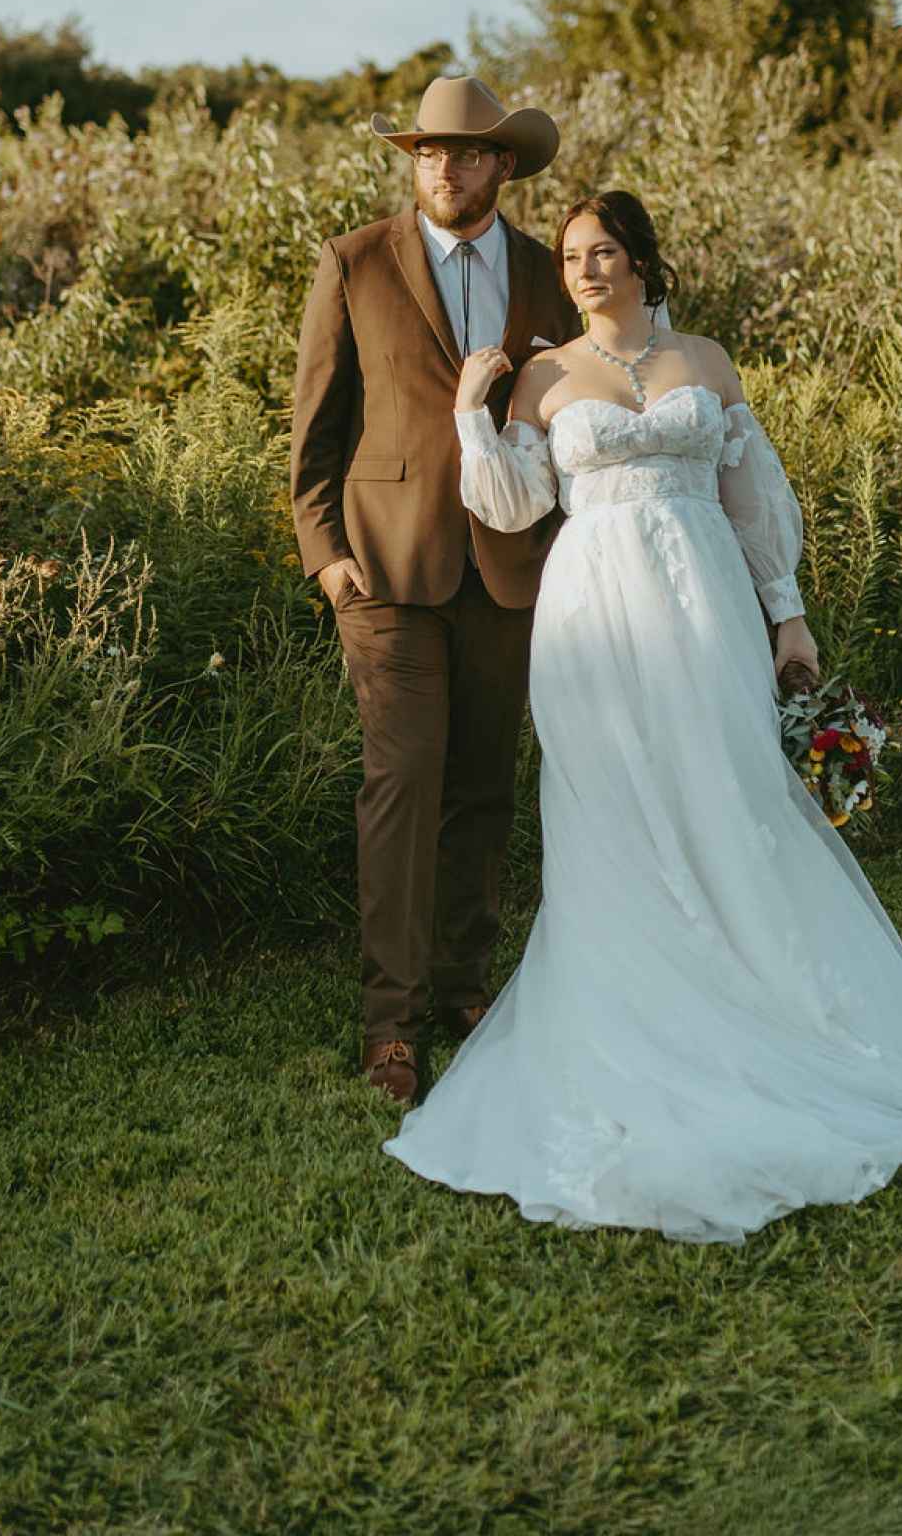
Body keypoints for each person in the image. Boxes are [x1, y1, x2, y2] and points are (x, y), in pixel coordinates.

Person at [382, 189, 902, 1242]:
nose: (584, 270)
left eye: (602, 251)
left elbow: (756, 500)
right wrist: (470, 415)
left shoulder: (706, 362)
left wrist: (787, 618)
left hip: (705, 602)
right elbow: (514, 506)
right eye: (570, 256)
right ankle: (636, 1010)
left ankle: (761, 993)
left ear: (641, 259)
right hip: (593, 618)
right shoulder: (544, 376)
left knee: (727, 789)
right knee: (613, 810)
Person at [290, 75, 579, 1103]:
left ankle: (464, 987)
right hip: (384, 569)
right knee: (401, 786)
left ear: (502, 164)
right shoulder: (355, 262)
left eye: (463, 152)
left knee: (484, 786)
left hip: (509, 569)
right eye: (428, 152)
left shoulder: (547, 274)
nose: (444, 168)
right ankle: (392, 1022)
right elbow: (317, 424)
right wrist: (325, 554)